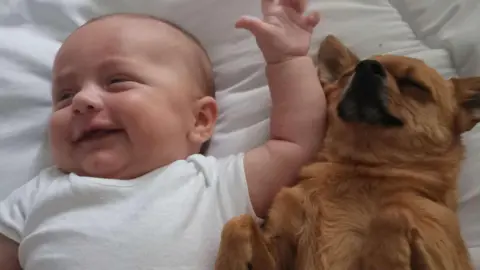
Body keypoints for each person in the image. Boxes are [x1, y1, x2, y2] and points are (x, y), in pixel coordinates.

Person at [0, 0, 326, 269]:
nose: (82, 101)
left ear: (199, 119)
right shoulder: (36, 197)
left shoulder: (212, 185)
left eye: (117, 81)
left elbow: (296, 143)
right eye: (65, 95)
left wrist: (287, 60)